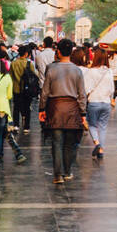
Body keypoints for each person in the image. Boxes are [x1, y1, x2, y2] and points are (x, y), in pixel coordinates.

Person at [39, 38, 87, 185]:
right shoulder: (77, 70)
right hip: (72, 110)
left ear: (58, 52)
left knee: (57, 143)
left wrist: (42, 108)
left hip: (55, 109)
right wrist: (83, 113)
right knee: (69, 144)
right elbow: (81, 95)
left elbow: (45, 92)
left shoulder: (51, 69)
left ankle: (57, 175)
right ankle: (67, 172)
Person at [83, 47, 114, 159]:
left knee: (91, 124)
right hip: (106, 103)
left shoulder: (91, 72)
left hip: (94, 102)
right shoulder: (109, 71)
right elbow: (112, 89)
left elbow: (86, 89)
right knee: (103, 127)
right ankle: (101, 150)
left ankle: (97, 143)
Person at [10, 46, 39, 132]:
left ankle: (16, 125)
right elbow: (34, 76)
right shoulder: (29, 64)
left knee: (16, 107)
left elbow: (11, 77)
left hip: (16, 89)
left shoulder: (13, 63)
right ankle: (26, 126)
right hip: (27, 89)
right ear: (26, 53)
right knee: (27, 107)